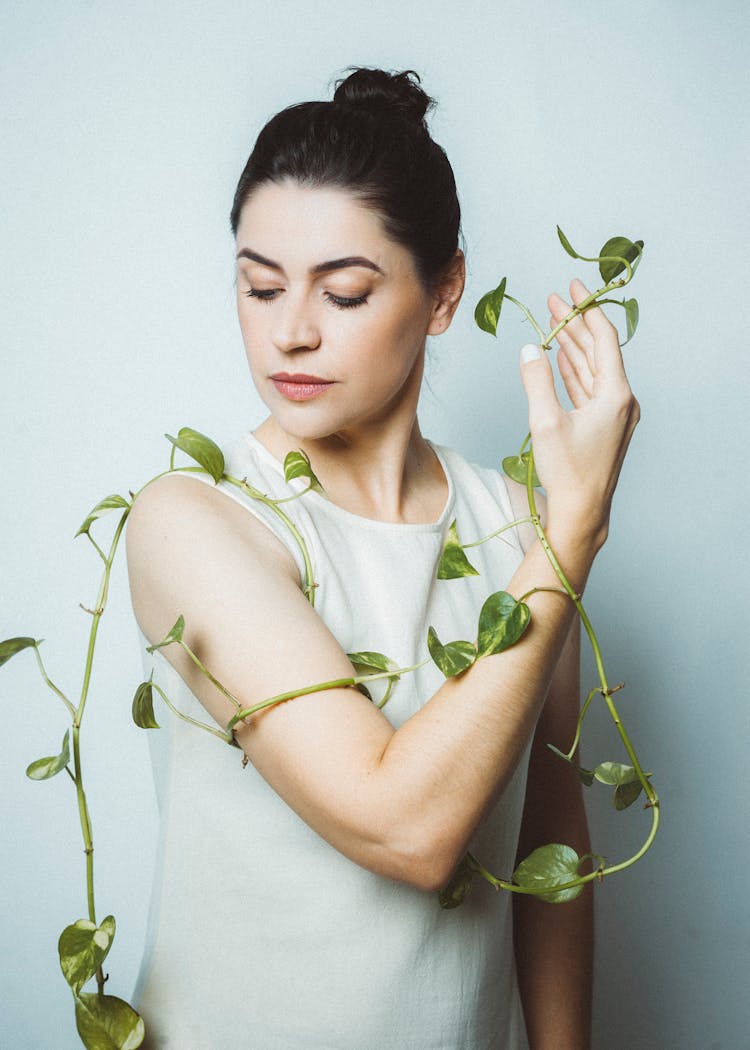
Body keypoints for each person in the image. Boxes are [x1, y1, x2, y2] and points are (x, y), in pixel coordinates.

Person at [126, 67, 639, 1049]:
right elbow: (406, 828)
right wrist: (573, 538)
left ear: (443, 291)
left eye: (345, 291)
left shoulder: (516, 529)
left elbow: (548, 837)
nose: (291, 332)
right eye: (259, 284)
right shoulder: (196, 519)